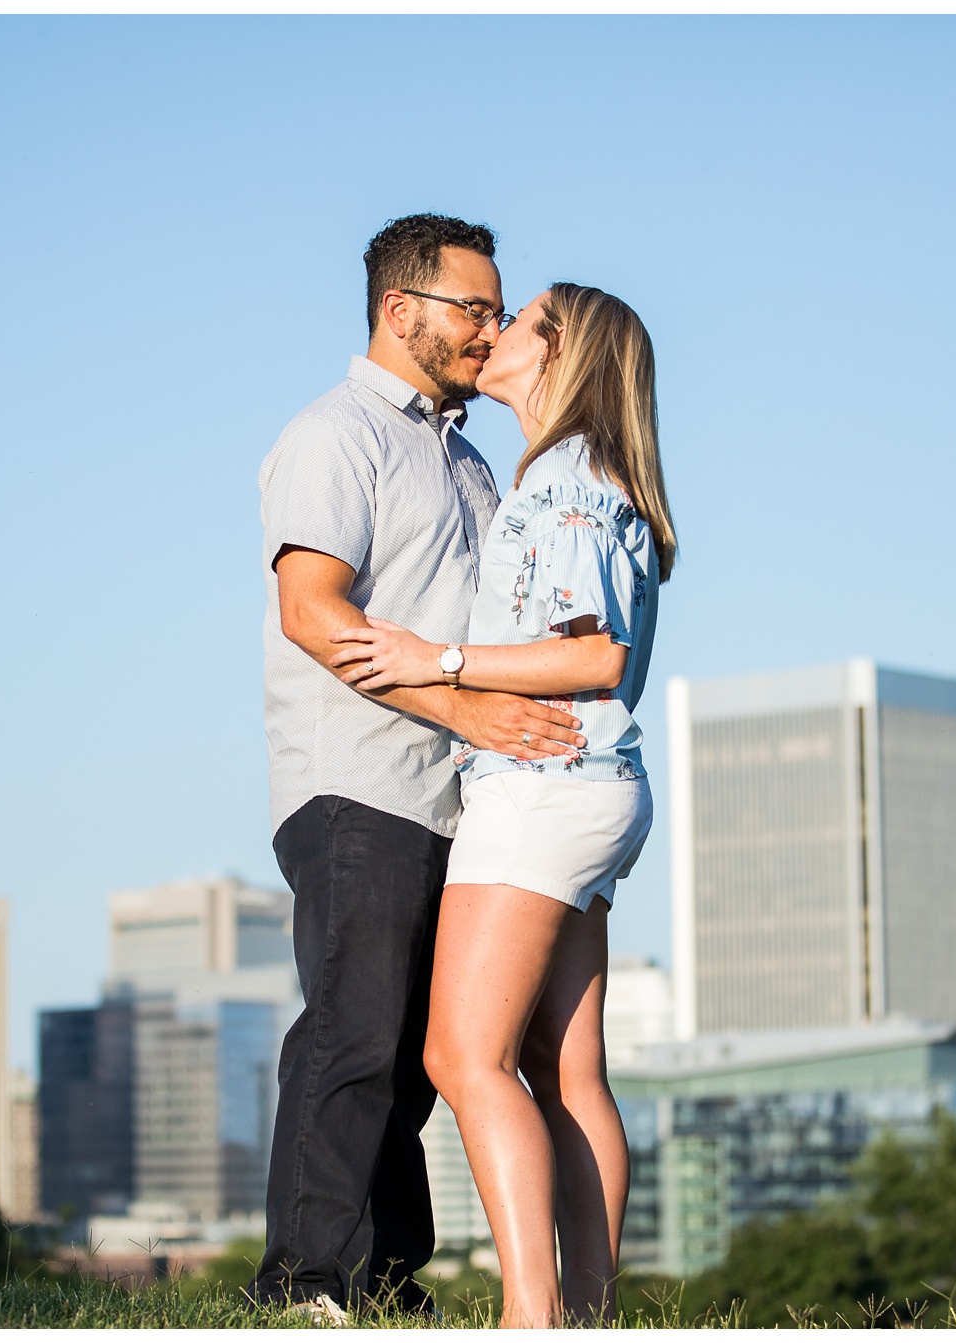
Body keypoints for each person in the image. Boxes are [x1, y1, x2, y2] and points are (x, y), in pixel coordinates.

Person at [252, 215, 588, 1318]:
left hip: (456, 794)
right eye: (472, 310)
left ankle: (388, 1281)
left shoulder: (464, 455)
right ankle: (303, 1281)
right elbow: (312, 613)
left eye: (498, 312)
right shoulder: (333, 433)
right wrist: (466, 707)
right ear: (400, 312)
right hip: (358, 781)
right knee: (351, 1028)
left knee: (410, 1058)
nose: (488, 330)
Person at [327, 282, 676, 1327]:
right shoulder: (593, 475)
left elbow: (591, 650)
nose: (493, 332)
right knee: (562, 1068)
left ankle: (533, 1313)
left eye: (514, 319)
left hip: (539, 791)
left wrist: (433, 656)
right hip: (595, 790)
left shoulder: (563, 481)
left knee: (459, 1054)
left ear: (557, 349)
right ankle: (592, 1313)